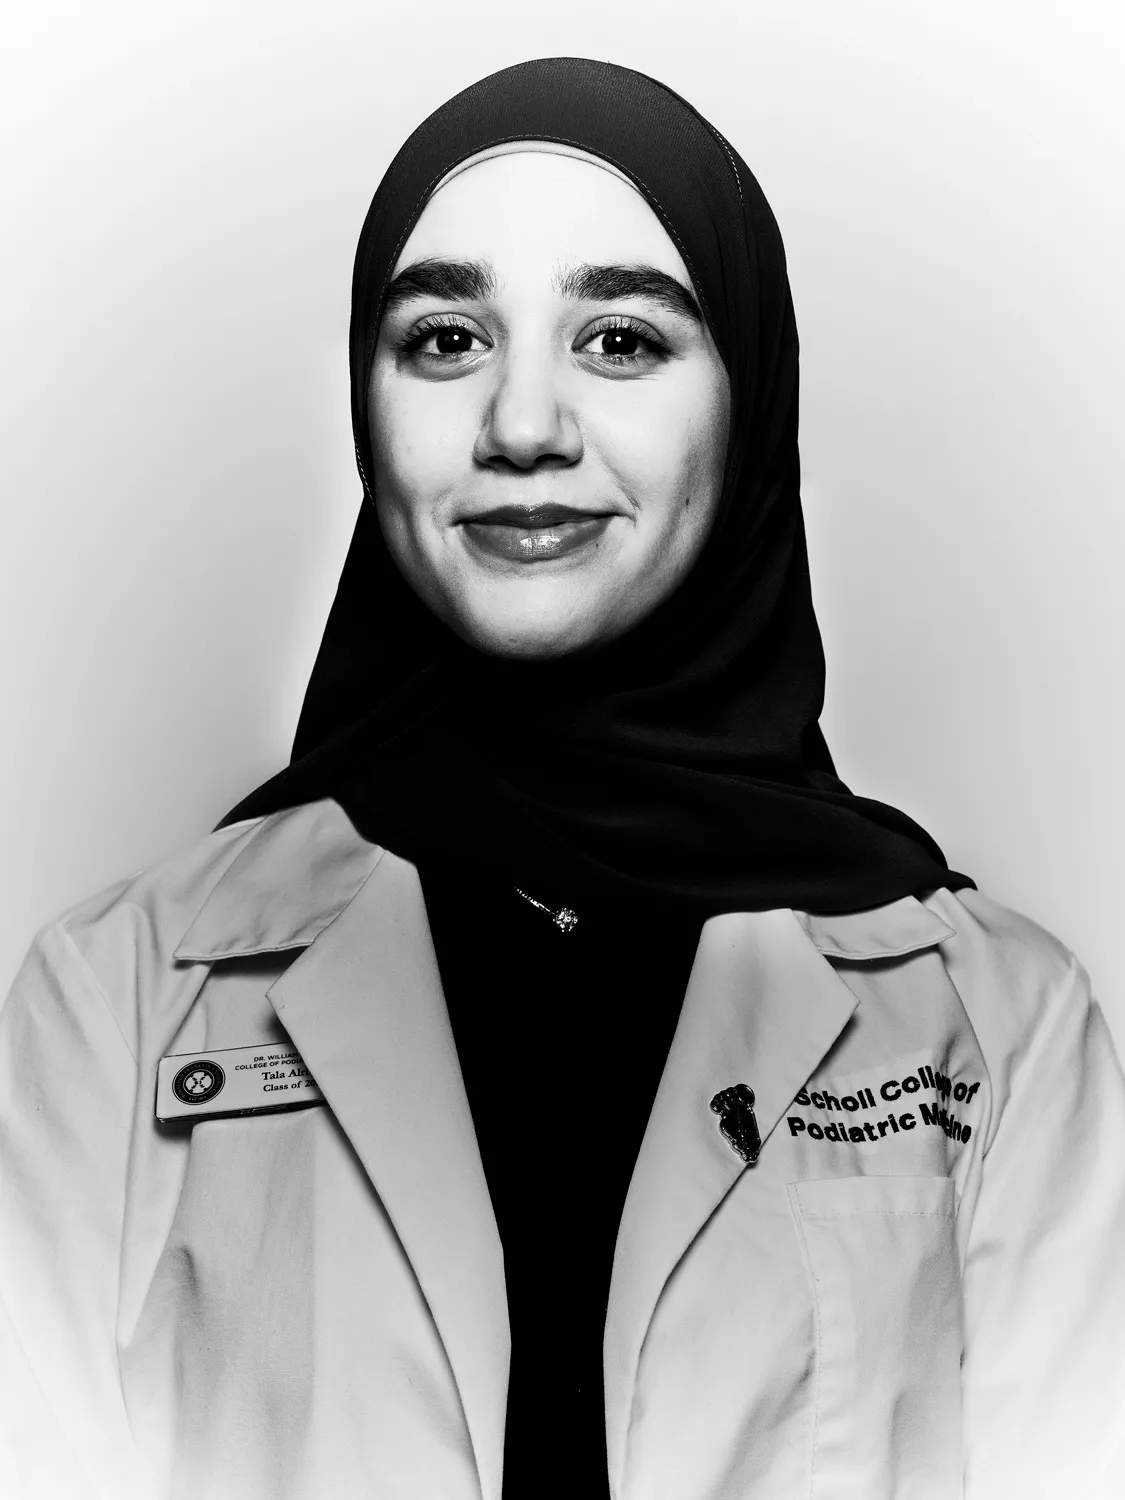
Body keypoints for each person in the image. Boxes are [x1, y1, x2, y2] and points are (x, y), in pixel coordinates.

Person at [1, 55, 1122, 1500]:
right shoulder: (115, 1001)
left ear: (750, 400)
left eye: (623, 340)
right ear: (365, 403)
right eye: (445, 338)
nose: (523, 425)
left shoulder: (1001, 1027)